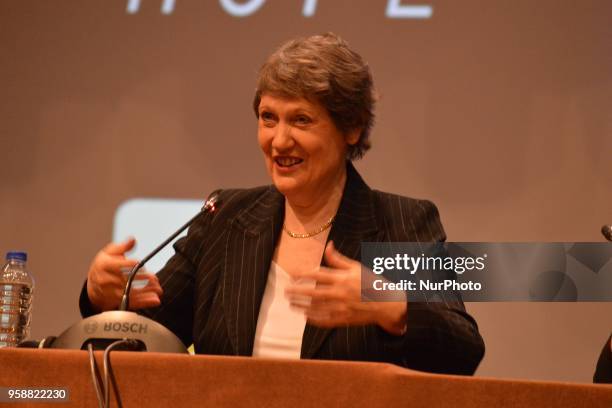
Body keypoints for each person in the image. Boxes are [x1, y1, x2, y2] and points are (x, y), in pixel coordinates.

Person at [80, 33, 485, 375]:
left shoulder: (400, 223)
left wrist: (389, 306)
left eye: (302, 120)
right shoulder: (225, 217)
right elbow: (150, 337)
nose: (279, 140)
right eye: (269, 117)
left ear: (352, 127)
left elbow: (463, 349)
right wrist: (103, 296)